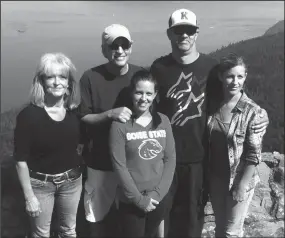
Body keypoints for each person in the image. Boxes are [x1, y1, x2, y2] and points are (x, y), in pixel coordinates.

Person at [150, 8, 269, 237]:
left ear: (196, 33)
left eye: (189, 30)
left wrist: (258, 115)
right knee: (163, 216)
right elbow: (149, 106)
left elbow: (231, 98)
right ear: (169, 34)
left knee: (194, 218)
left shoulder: (212, 67)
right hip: (165, 158)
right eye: (178, 31)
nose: (184, 35)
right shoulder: (159, 68)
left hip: (199, 159)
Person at [78, 24, 142, 237]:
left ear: (131, 47)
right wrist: (109, 114)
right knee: (96, 217)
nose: (120, 50)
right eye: (114, 46)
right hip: (100, 163)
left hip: (133, 163)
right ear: (104, 50)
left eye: (124, 45)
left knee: (132, 218)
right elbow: (83, 116)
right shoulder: (90, 78)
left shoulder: (140, 76)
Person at [14, 53, 83, 238]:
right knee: (41, 234)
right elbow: (20, 161)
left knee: (69, 231)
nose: (56, 82)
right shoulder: (29, 115)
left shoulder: (74, 114)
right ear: (41, 82)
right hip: (40, 185)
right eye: (50, 77)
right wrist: (29, 198)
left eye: (62, 76)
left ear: (69, 83)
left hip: (72, 182)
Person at [206, 53, 268, 237]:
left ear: (245, 77)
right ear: (221, 77)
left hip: (238, 179)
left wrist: (242, 185)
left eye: (240, 76)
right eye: (230, 76)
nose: (235, 82)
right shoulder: (212, 105)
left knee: (232, 232)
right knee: (219, 227)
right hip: (215, 177)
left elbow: (254, 154)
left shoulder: (253, 112)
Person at [109, 69, 176, 237]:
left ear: (155, 95)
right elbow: (119, 166)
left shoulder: (163, 121)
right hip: (131, 201)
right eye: (139, 92)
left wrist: (157, 195)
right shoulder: (120, 125)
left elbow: (170, 159)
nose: (143, 98)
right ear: (132, 92)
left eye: (148, 93)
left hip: (158, 199)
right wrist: (139, 200)